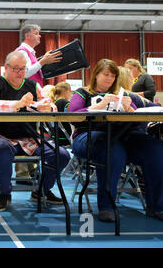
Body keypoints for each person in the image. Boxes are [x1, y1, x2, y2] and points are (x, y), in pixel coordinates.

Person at [69, 59, 163, 222]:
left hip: (123, 135)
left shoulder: (123, 95)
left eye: (113, 76)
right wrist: (101, 105)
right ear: (96, 75)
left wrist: (129, 109)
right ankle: (107, 206)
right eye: (106, 75)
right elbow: (73, 116)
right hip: (89, 137)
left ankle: (157, 206)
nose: (109, 79)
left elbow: (139, 121)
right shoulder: (82, 93)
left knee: (155, 148)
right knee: (112, 150)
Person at [0, 51, 70, 212]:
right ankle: (3, 193)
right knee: (1, 149)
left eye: (23, 69)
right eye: (16, 69)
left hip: (28, 137)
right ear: (6, 68)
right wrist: (17, 103)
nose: (20, 73)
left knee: (61, 154)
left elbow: (52, 105)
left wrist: (47, 107)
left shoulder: (33, 85)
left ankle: (41, 190)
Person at [13, 24, 63, 182]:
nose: (39, 36)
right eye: (36, 33)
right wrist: (43, 62)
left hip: (31, 101)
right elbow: (24, 72)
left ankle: (30, 170)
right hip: (24, 99)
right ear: (27, 36)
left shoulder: (30, 53)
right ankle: (23, 172)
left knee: (31, 134)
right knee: (23, 134)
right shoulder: (22, 52)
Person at [49, 82, 73, 146]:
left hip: (55, 134)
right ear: (66, 91)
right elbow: (73, 112)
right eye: (70, 91)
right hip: (64, 136)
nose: (71, 94)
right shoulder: (64, 102)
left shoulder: (55, 102)